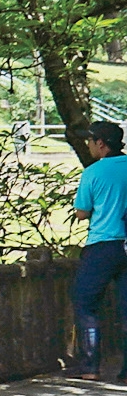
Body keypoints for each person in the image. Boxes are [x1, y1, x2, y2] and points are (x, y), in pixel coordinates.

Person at [75, 122, 127, 378]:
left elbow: (82, 213)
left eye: (90, 140)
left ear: (101, 143)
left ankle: (90, 368)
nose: (88, 145)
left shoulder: (93, 173)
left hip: (103, 245)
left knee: (86, 302)